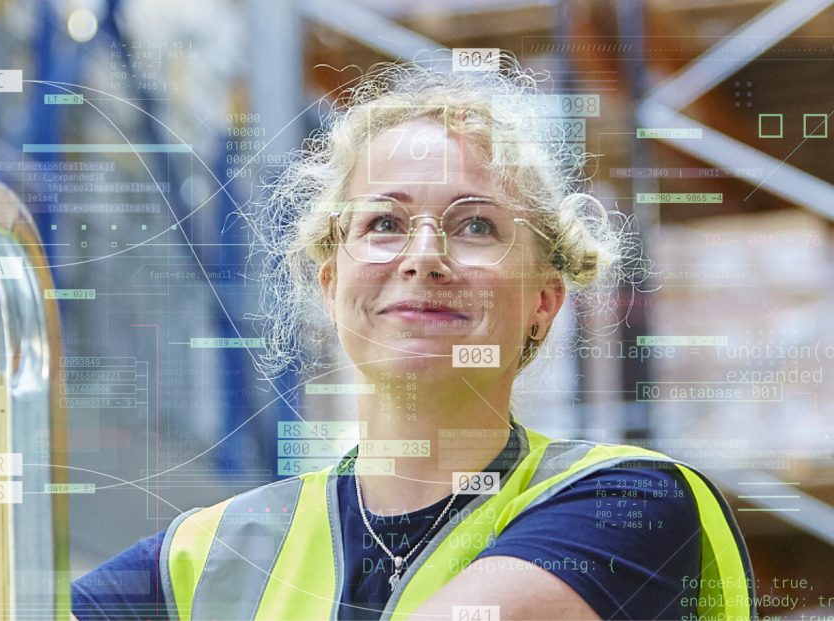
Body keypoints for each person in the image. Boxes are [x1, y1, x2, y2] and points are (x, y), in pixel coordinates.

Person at [72, 61, 755, 621]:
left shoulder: (627, 503)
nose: (424, 255)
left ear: (543, 302)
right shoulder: (203, 554)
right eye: (385, 223)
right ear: (331, 283)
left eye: (476, 226)